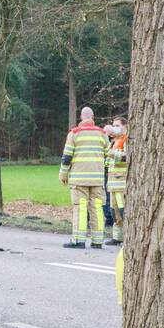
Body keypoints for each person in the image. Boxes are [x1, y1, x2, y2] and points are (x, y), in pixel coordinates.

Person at [59, 107, 108, 249]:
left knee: (80, 208)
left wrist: (63, 174)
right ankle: (97, 241)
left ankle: (79, 240)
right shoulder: (102, 134)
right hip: (97, 180)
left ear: (81, 117)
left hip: (79, 179)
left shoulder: (74, 133)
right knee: (97, 208)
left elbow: (67, 157)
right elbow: (108, 155)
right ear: (93, 117)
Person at [104, 117, 128, 245]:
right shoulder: (113, 141)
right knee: (115, 211)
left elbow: (127, 157)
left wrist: (112, 153)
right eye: (114, 126)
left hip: (121, 183)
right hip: (113, 183)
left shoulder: (126, 140)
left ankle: (128, 238)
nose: (115, 128)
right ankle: (117, 237)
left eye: (117, 126)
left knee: (124, 211)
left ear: (125, 126)